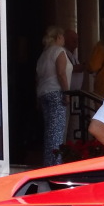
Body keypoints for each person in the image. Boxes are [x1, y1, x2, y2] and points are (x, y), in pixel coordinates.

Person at [35, 24, 72, 166]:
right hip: (57, 93)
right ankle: (55, 164)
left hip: (44, 94)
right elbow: (61, 73)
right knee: (57, 131)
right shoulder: (58, 51)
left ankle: (48, 162)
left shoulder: (43, 55)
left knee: (49, 130)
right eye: (62, 36)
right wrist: (66, 93)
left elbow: (37, 78)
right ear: (58, 37)